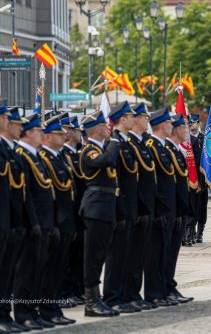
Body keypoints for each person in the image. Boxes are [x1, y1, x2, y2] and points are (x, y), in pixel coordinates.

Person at [13, 114, 57, 329]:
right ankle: (22, 313)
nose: (43, 134)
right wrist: (33, 222)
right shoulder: (22, 155)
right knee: (26, 271)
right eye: (39, 131)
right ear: (29, 133)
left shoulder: (36, 156)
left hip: (44, 222)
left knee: (38, 270)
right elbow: (26, 193)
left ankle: (33, 311)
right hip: (32, 223)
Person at [79, 111, 121, 317]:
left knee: (100, 255)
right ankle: (91, 302)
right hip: (95, 208)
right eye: (104, 126)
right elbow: (106, 161)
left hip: (105, 207)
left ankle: (96, 299)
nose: (108, 128)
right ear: (96, 129)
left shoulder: (100, 148)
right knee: (92, 257)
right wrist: (113, 143)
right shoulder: (89, 150)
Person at [38, 115, 77, 325]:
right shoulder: (44, 158)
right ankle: (44, 307)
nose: (64, 136)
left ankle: (52, 308)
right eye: (59, 133)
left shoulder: (59, 157)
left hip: (66, 221)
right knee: (48, 268)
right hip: (54, 221)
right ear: (48, 137)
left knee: (58, 268)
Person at [103, 102, 140, 314]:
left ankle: (123, 295)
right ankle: (111, 297)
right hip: (119, 206)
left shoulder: (125, 142)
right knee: (115, 256)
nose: (132, 119)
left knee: (126, 255)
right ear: (120, 119)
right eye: (129, 116)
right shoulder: (114, 142)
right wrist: (117, 210)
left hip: (129, 206)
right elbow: (114, 178)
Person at [0, 108, 31, 333]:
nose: (14, 124)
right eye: (6, 118)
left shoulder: (11, 152)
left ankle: (5, 314)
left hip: (11, 222)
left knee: (8, 272)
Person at [145, 108, 179, 307]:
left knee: (163, 251)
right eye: (169, 123)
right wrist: (158, 209)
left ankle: (163, 290)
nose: (171, 126)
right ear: (160, 125)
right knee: (154, 253)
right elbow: (154, 181)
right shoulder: (152, 146)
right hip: (159, 208)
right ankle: (154, 292)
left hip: (168, 207)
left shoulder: (163, 147)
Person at [125, 103, 156, 310]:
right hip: (132, 207)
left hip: (145, 206)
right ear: (134, 119)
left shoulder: (144, 143)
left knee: (140, 255)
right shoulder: (128, 144)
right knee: (129, 255)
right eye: (144, 117)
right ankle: (127, 295)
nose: (147, 121)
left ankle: (135, 294)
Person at [164, 113, 194, 303]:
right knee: (164, 253)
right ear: (175, 130)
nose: (187, 131)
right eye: (184, 127)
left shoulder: (175, 150)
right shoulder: (166, 150)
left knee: (172, 253)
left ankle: (169, 286)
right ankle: (162, 289)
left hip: (178, 210)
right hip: (169, 210)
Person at [59, 115, 86, 307]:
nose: (79, 133)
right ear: (68, 133)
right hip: (67, 213)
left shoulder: (77, 155)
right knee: (66, 257)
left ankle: (76, 289)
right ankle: (64, 291)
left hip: (79, 212)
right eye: (76, 130)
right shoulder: (64, 156)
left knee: (78, 256)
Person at [189, 114, 207, 244]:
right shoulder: (185, 140)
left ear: (198, 123)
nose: (191, 125)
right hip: (190, 178)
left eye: (193, 122)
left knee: (201, 207)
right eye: (189, 123)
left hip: (202, 177)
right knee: (191, 207)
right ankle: (191, 231)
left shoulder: (205, 138)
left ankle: (200, 232)